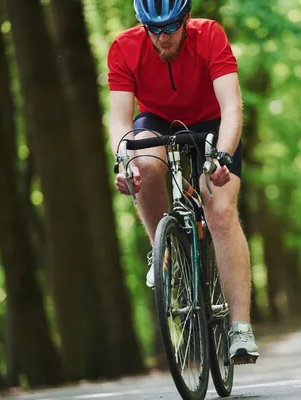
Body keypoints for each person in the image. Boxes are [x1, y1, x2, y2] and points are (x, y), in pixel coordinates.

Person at [106, 0, 259, 364]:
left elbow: (232, 107)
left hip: (211, 124)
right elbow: (119, 120)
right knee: (144, 164)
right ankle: (166, 249)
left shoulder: (211, 36)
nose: (162, 39)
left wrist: (222, 155)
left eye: (170, 28)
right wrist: (124, 162)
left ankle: (240, 328)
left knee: (220, 209)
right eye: (153, 30)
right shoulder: (124, 48)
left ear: (186, 19)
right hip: (157, 121)